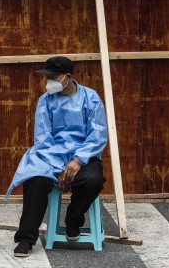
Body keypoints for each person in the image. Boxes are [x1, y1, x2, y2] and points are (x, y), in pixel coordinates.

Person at [7, 56, 108, 258]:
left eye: (53, 77)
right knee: (36, 180)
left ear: (68, 77)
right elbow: (43, 137)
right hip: (51, 154)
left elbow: (97, 134)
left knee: (92, 180)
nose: (49, 81)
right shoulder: (46, 100)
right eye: (48, 77)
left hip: (83, 154)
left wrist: (78, 160)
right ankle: (26, 238)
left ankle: (73, 219)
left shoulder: (91, 98)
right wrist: (58, 168)